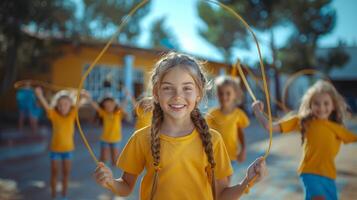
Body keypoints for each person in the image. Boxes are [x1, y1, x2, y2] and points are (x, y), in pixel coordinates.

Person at [94, 52, 267, 200]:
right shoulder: (141, 138)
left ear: (199, 93)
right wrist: (110, 182)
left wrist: (246, 181)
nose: (178, 96)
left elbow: (221, 195)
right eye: (168, 88)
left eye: (187, 88)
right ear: (156, 92)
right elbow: (125, 186)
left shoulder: (213, 140)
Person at [252, 80, 357, 200]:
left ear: (333, 105)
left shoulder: (338, 129)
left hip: (329, 176)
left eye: (326, 103)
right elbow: (269, 127)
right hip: (309, 172)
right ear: (310, 105)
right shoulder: (302, 121)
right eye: (316, 103)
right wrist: (257, 112)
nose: (321, 107)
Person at [35, 87, 84, 200]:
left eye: (66, 104)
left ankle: (64, 196)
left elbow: (80, 102)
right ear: (56, 105)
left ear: (70, 104)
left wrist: (83, 95)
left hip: (68, 150)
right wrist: (39, 95)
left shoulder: (72, 114)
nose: (62, 107)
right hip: (55, 150)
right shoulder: (54, 114)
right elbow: (46, 106)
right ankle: (53, 196)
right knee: (54, 174)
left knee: (66, 174)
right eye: (60, 104)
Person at [206, 76, 250, 164]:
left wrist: (243, 149)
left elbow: (240, 133)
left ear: (235, 94)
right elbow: (206, 133)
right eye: (221, 93)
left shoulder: (238, 114)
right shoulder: (212, 114)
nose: (224, 96)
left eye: (228, 93)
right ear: (217, 94)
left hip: (231, 155)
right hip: (215, 156)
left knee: (227, 178)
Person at [85, 92, 128, 166]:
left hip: (116, 139)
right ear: (103, 106)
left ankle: (113, 174)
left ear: (114, 104)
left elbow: (123, 105)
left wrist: (126, 96)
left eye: (110, 104)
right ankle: (101, 170)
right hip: (105, 139)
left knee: (115, 160)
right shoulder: (103, 113)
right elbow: (95, 106)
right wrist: (88, 98)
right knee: (104, 158)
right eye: (106, 105)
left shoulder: (117, 113)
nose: (108, 107)